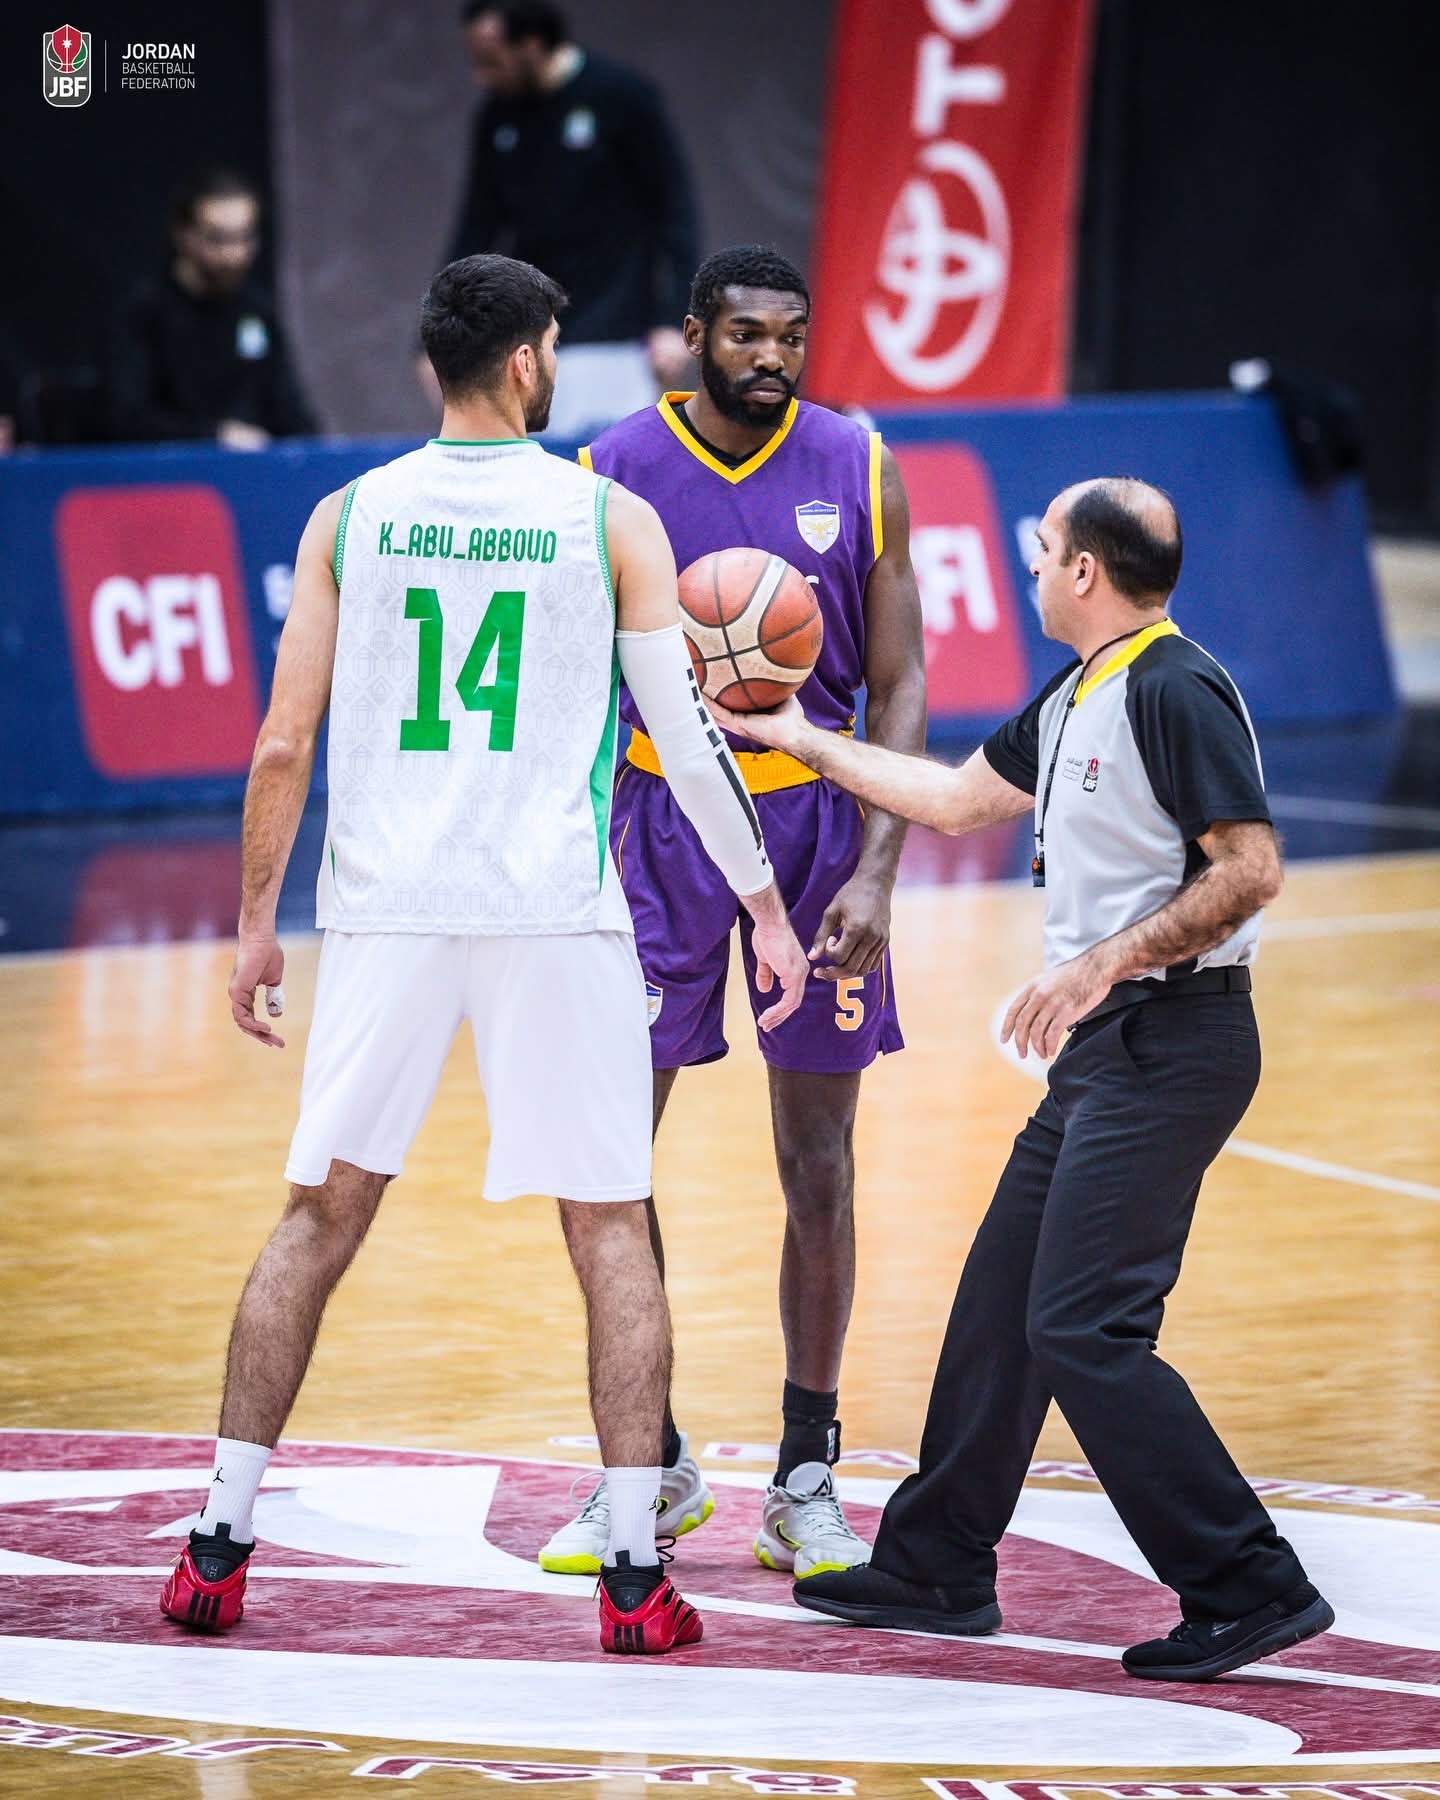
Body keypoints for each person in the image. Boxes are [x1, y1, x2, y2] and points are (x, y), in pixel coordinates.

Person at [157, 253, 808, 1657]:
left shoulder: (349, 517)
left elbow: (282, 743)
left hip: (387, 912)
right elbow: (686, 739)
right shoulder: (608, 518)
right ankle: (632, 1577)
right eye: (555, 346)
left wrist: (256, 920)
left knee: (315, 1221)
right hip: (551, 911)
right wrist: (762, 901)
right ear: (527, 363)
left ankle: (215, 1545)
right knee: (609, 1227)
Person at [704, 476, 1336, 1682]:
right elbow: (953, 801)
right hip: (1112, 1052)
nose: (1032, 563)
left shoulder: (1172, 685)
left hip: (1174, 1042)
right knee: (1003, 1306)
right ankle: (938, 1563)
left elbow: (1250, 870)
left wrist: (1100, 963)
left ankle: (1248, 1581)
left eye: (1044, 549)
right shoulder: (1083, 687)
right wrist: (797, 738)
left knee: (1084, 1327)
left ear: (1085, 571)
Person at [539, 245, 927, 1580]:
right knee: (610, 1160)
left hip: (818, 828)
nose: (773, 359)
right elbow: (568, 680)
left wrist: (879, 869)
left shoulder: (860, 466)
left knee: (819, 1163)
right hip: (659, 825)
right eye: (748, 335)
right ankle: (649, 1457)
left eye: (792, 338)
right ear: (697, 332)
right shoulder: (610, 472)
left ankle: (807, 1471)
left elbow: (902, 679)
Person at [436, 2, 697, 436]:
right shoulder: (496, 116)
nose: (481, 77)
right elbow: (476, 226)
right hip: (530, 342)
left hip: (618, 343)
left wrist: (674, 321)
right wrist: (438, 340)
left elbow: (677, 213)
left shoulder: (623, 97)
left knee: (612, 468)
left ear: (532, 44)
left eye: (492, 61)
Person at [110, 168, 318, 447]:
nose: (233, 254)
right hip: (171, 470)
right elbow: (126, 418)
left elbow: (292, 415)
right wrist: (214, 435)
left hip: (251, 468)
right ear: (183, 234)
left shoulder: (257, 313)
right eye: (217, 239)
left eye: (244, 238)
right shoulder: (144, 311)